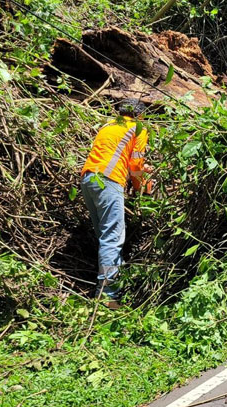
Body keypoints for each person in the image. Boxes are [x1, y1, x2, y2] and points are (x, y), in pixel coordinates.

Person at [80, 99, 151, 307]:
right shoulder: (137, 128)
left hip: (88, 180)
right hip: (109, 181)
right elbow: (136, 163)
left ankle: (114, 289)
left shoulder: (109, 125)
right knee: (112, 238)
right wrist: (141, 188)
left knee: (105, 236)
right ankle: (107, 297)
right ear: (141, 116)